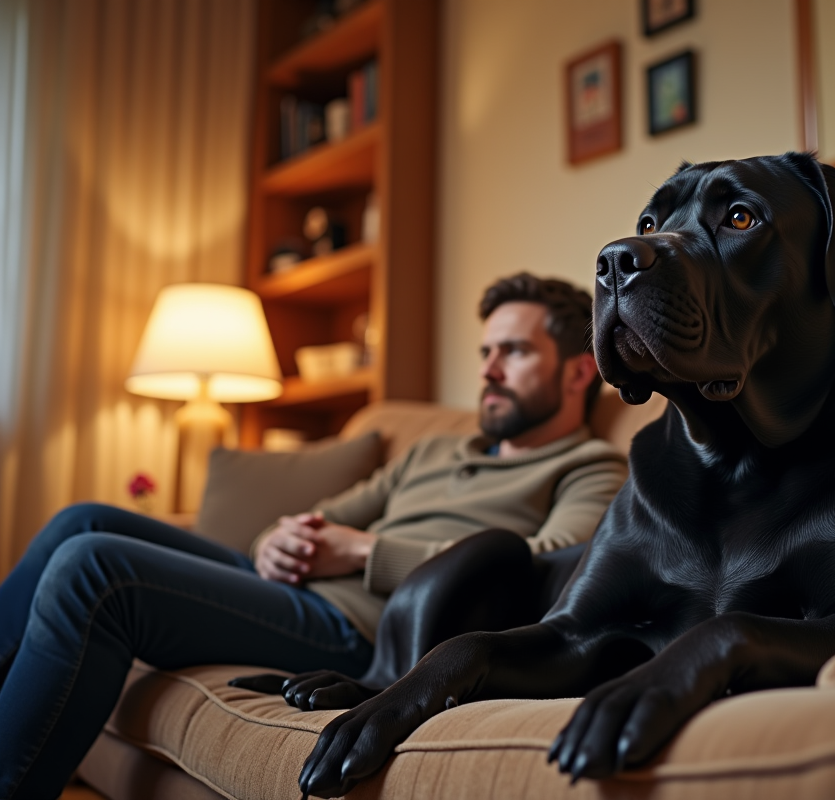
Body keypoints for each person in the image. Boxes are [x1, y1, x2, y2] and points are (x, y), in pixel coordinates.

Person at [0, 273, 627, 800]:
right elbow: (318, 515)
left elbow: (557, 571)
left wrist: (364, 553)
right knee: (82, 520)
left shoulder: (590, 466)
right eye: (485, 352)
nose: (488, 370)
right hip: (294, 590)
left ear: (577, 373)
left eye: (512, 352)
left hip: (366, 631)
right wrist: (275, 539)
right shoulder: (434, 450)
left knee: (96, 566)